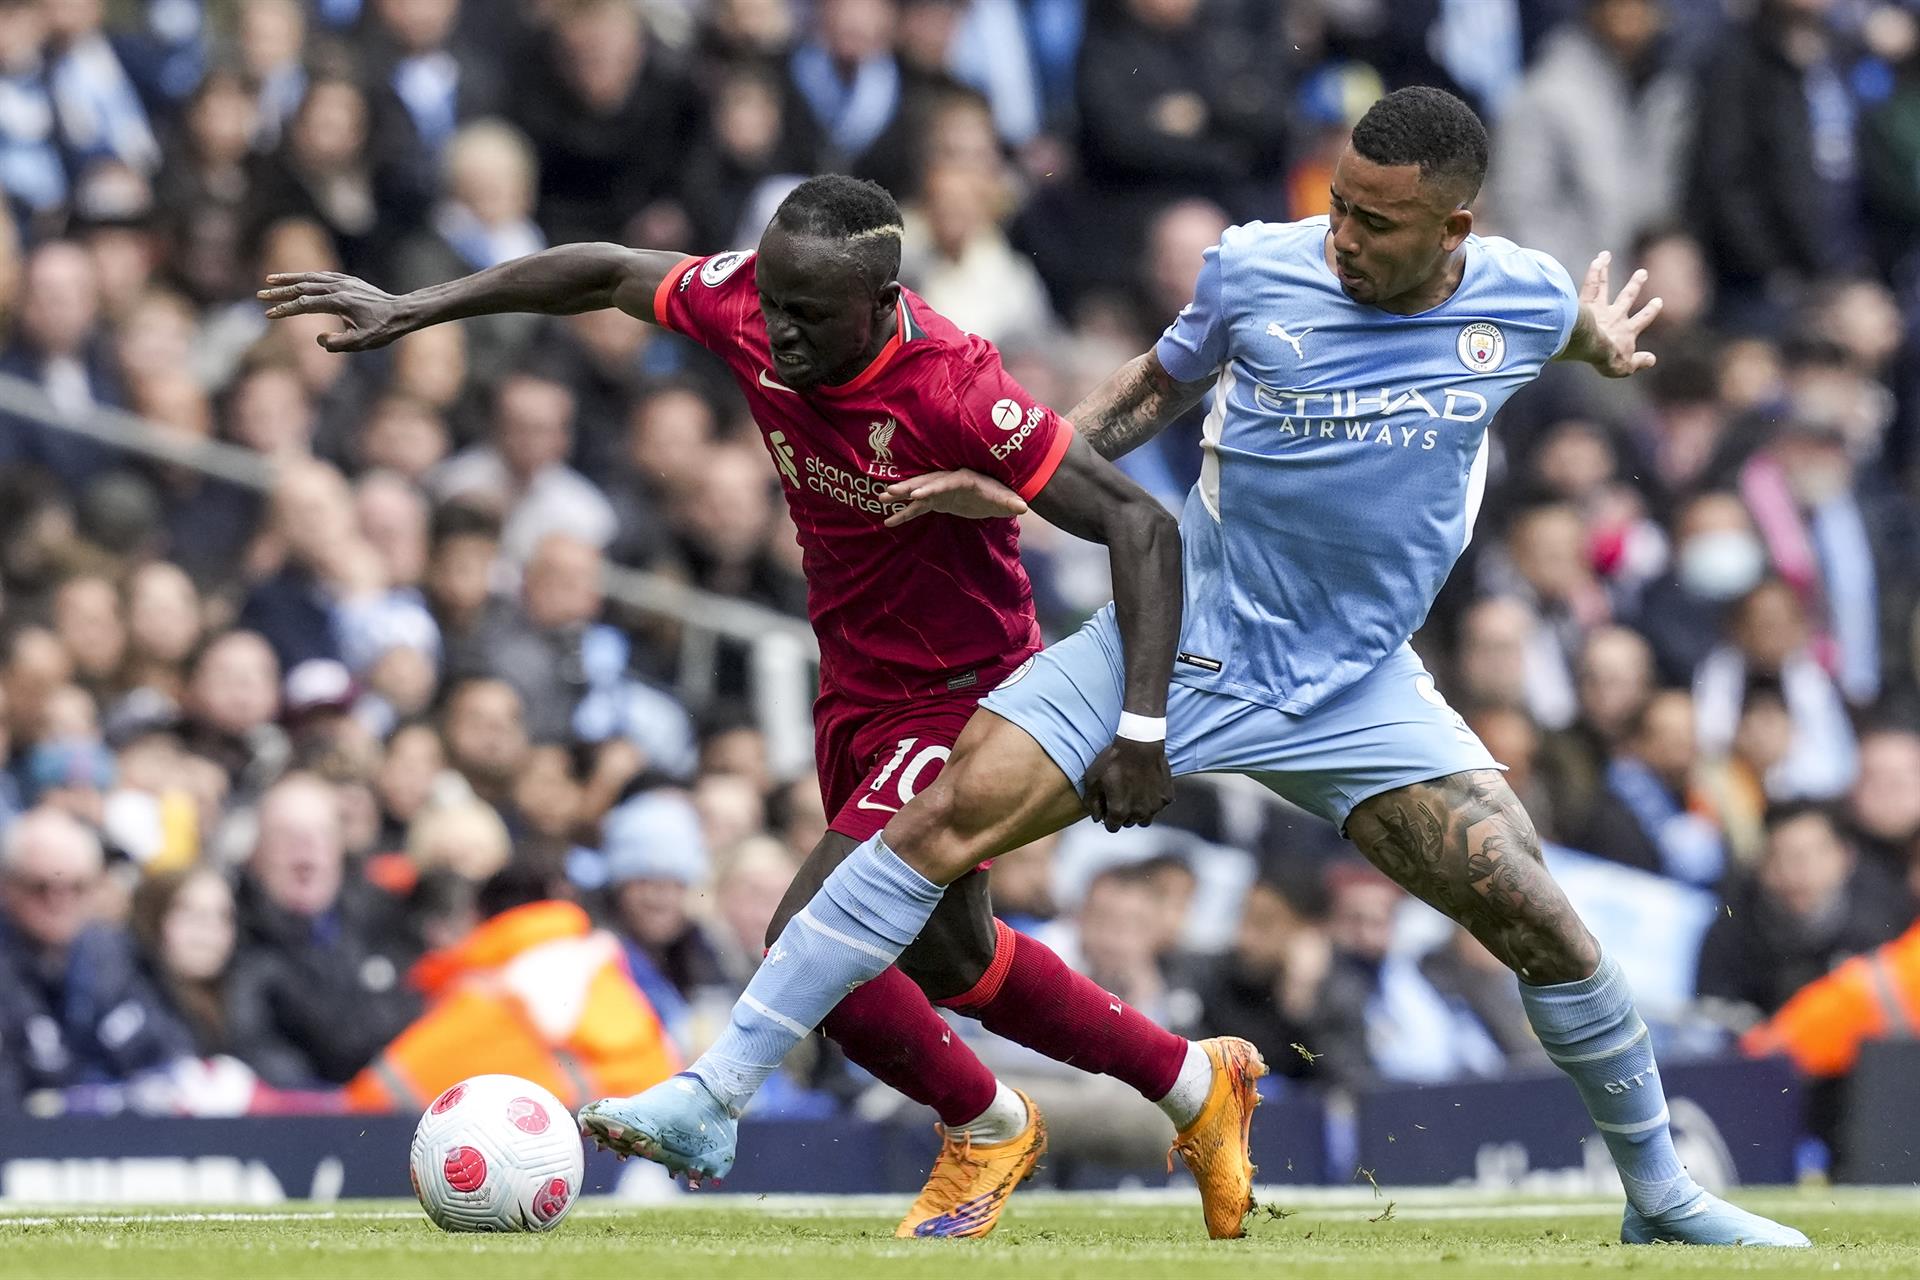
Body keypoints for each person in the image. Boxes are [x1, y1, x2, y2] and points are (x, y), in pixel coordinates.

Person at [583, 89, 1808, 1248]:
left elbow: (1563, 331)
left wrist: (1598, 339)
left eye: (1375, 223)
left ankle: (1661, 1194)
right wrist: (1020, 480)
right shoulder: (1256, 268)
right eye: (1337, 204)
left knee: (1537, 915)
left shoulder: (1522, 296)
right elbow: (1150, 392)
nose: (1342, 236)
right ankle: (717, 1090)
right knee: (934, 821)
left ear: (1454, 229)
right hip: (1191, 634)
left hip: (1358, 683)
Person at [259, 174, 1254, 1241]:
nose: (777, 330)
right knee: (953, 960)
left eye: (808, 314)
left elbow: (1141, 526)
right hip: (855, 690)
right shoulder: (750, 300)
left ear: (881, 302)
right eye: (772, 300)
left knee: (807, 937)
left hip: (963, 698)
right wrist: (418, 304)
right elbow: (603, 271)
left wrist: (1138, 728)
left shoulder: (955, 388)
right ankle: (1195, 1084)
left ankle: (974, 1120)